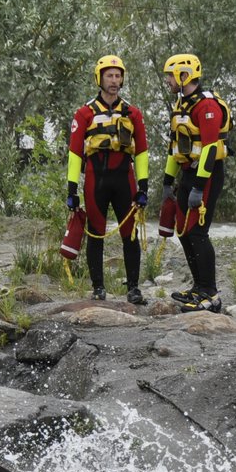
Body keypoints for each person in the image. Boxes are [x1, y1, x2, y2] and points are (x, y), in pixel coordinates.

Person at [66, 55, 151, 305]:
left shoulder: (133, 114)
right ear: (99, 78)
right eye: (109, 76)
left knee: (130, 234)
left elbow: (142, 152)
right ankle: (98, 288)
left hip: (125, 179)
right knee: (95, 233)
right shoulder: (84, 114)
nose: (114, 81)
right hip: (96, 180)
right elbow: (73, 153)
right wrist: (72, 190)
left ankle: (134, 288)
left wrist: (143, 186)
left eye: (118, 76)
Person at [160, 52, 231, 314]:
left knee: (198, 233)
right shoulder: (181, 106)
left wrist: (200, 186)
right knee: (184, 232)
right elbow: (174, 147)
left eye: (170, 75)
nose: (168, 80)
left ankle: (210, 294)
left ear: (184, 75)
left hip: (207, 174)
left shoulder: (206, 106)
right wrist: (168, 181)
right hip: (187, 173)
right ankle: (198, 287)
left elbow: (211, 150)